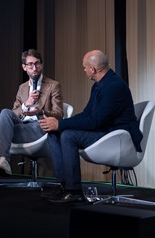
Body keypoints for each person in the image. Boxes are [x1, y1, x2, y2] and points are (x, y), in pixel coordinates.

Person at [38, 49, 143, 204]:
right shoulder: (99, 85)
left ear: (93, 69)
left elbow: (96, 122)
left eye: (85, 67)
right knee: (55, 132)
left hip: (116, 136)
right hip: (105, 131)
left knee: (68, 135)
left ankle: (74, 191)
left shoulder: (114, 86)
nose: (84, 70)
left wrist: (61, 124)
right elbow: (87, 114)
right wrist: (60, 124)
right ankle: (63, 185)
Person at [0, 49, 64, 194]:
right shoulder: (22, 88)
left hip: (39, 129)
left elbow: (59, 114)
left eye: (37, 64)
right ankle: (1, 161)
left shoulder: (53, 85)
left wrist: (40, 111)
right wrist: (26, 104)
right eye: (30, 65)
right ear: (24, 67)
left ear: (42, 65)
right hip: (22, 126)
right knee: (3, 114)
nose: (34, 68)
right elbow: (14, 113)